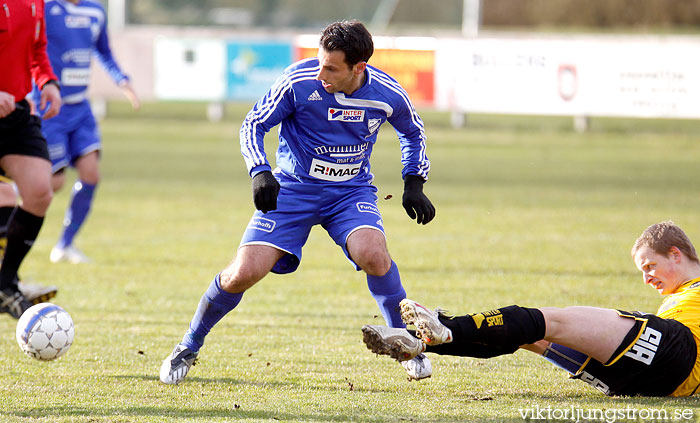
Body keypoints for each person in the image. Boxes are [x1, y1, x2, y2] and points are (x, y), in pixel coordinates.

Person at [160, 20, 436, 385]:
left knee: (373, 254)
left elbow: (413, 133)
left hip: (350, 192)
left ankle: (405, 344)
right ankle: (188, 345)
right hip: (293, 188)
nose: (321, 72)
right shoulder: (297, 83)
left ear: (359, 68)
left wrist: (413, 181)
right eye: (320, 62)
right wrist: (260, 172)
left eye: (331, 68)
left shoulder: (387, 93)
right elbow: (252, 125)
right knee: (242, 273)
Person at [362, 221, 700, 397]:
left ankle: (444, 325)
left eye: (650, 266)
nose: (646, 279)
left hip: (677, 350)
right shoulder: (676, 300)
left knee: (545, 319)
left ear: (675, 253)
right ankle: (424, 342)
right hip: (642, 383)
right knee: (529, 337)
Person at [30, 0, 138, 264]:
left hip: (81, 109)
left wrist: (122, 80)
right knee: (52, 183)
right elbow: (30, 49)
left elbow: (103, 51)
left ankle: (65, 244)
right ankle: (9, 213)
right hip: (50, 108)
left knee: (91, 172)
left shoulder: (95, 11)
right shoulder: (45, 8)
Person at [0, 0, 62, 318]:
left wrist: (47, 82)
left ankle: (5, 282)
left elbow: (36, 49)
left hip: (16, 113)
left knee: (39, 191)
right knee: (3, 196)